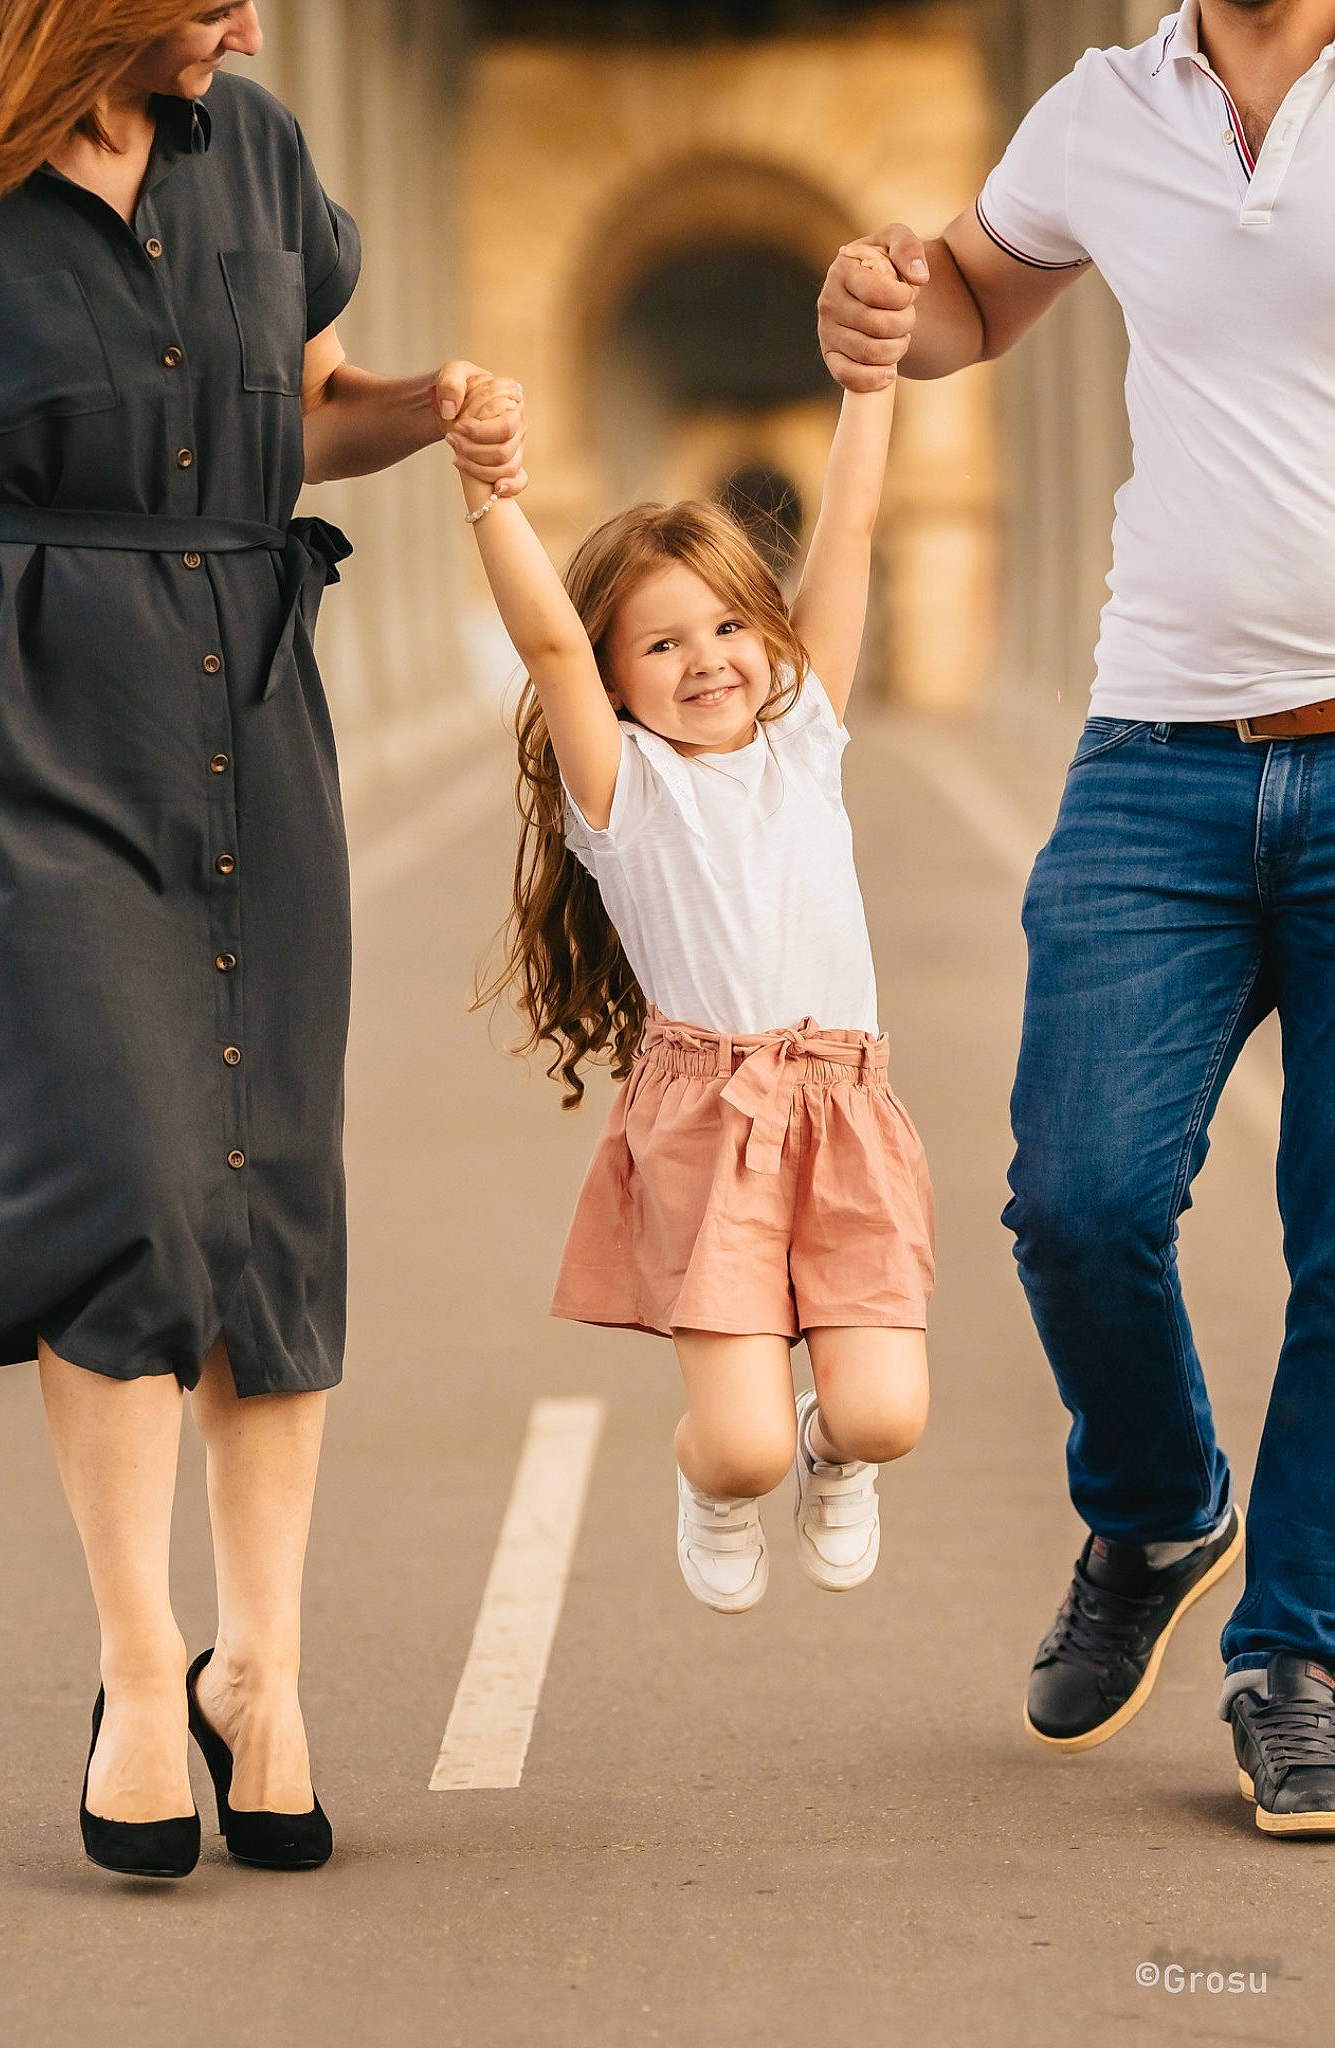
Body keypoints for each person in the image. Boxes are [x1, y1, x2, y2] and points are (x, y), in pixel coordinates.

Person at [0, 0, 524, 1878]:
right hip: (30, 723)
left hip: (250, 714)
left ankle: (257, 1670)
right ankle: (132, 1669)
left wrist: (430, 404)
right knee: (122, 1169)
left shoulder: (252, 149)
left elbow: (316, 411)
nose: (249, 25)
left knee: (265, 1183)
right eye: (207, 2)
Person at [817, 0, 1335, 1835]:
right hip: (1155, 752)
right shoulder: (1105, 105)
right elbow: (973, 293)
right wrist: (890, 306)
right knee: (1079, 1193)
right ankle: (1152, 1499)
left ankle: (1297, 1657)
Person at [455, 308, 935, 1617]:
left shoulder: (804, 739)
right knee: (739, 1441)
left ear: (764, 636)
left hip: (843, 1106)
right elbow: (547, 641)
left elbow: (843, 535)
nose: (705, 662)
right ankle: (717, 1477)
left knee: (882, 1415)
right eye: (659, 646)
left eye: (725, 628)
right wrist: (487, 492)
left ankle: (831, 1458)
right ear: (616, 678)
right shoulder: (625, 789)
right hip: (707, 1120)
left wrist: (871, 386)